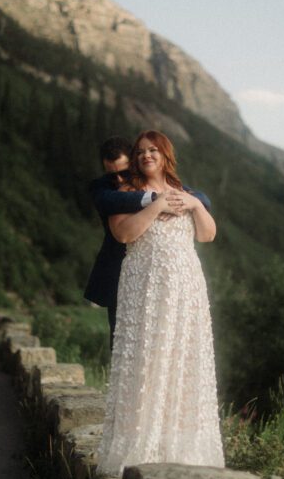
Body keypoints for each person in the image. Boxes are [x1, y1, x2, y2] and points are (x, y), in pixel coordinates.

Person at [94, 130, 225, 477]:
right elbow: (124, 235)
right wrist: (156, 206)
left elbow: (207, 235)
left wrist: (196, 204)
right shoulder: (126, 193)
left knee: (183, 359)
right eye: (140, 151)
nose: (146, 155)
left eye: (153, 150)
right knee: (146, 360)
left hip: (186, 287)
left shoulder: (187, 194)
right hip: (145, 285)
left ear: (166, 155)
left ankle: (180, 448)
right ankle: (139, 447)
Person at [83, 137, 209, 347]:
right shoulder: (104, 190)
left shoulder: (157, 183)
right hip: (119, 271)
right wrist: (156, 199)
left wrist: (194, 201)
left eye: (124, 173)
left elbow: (201, 197)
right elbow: (110, 201)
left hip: (163, 278)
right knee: (123, 342)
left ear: (133, 164)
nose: (119, 180)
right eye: (112, 175)